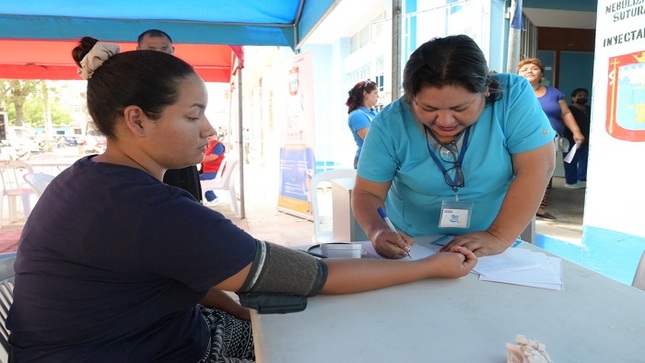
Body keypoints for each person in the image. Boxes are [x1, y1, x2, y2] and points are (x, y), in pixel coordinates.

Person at [7, 37, 477, 362]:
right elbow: (309, 275)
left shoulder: (89, 177)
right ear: (136, 119)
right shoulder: (151, 211)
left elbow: (180, 271)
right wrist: (427, 267)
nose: (209, 131)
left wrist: (242, 309)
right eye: (193, 116)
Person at [351, 35, 555, 259]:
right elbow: (368, 193)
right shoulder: (391, 123)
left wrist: (498, 237)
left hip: (490, 239)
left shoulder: (512, 97)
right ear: (410, 98)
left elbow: (537, 167)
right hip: (414, 244)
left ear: (486, 90)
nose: (445, 121)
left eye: (460, 107)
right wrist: (378, 231)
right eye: (428, 108)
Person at [137, 28, 203, 202]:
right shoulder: (131, 82)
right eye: (151, 50)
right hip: (146, 160)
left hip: (183, 157)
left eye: (165, 49)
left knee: (189, 208)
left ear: (173, 51)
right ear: (139, 51)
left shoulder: (186, 79)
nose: (160, 55)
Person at [517, 58, 585, 219]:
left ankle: (539, 208)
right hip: (519, 140)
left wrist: (576, 131)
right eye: (524, 69)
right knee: (519, 173)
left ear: (541, 74)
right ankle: (518, 207)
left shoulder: (554, 93)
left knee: (544, 174)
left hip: (548, 141)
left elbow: (566, 113)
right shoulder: (515, 91)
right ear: (518, 74)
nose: (529, 71)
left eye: (534, 68)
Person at [346, 80, 379, 169]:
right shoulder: (357, 115)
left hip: (376, 160)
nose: (378, 96)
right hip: (366, 161)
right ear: (365, 94)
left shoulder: (373, 113)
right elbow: (372, 140)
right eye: (375, 93)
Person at [563, 88, 591, 189]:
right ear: (573, 98)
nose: (583, 97)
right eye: (579, 95)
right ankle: (570, 181)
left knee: (585, 160)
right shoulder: (569, 110)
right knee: (570, 160)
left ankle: (582, 179)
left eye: (585, 95)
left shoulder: (589, 109)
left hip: (587, 139)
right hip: (571, 139)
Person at [200, 133, 226, 205]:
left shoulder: (218, 145)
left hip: (215, 172)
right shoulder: (208, 145)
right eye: (207, 135)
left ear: (215, 136)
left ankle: (213, 199)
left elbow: (213, 157)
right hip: (208, 171)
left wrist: (198, 159)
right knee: (193, 177)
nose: (208, 137)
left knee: (197, 179)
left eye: (211, 135)